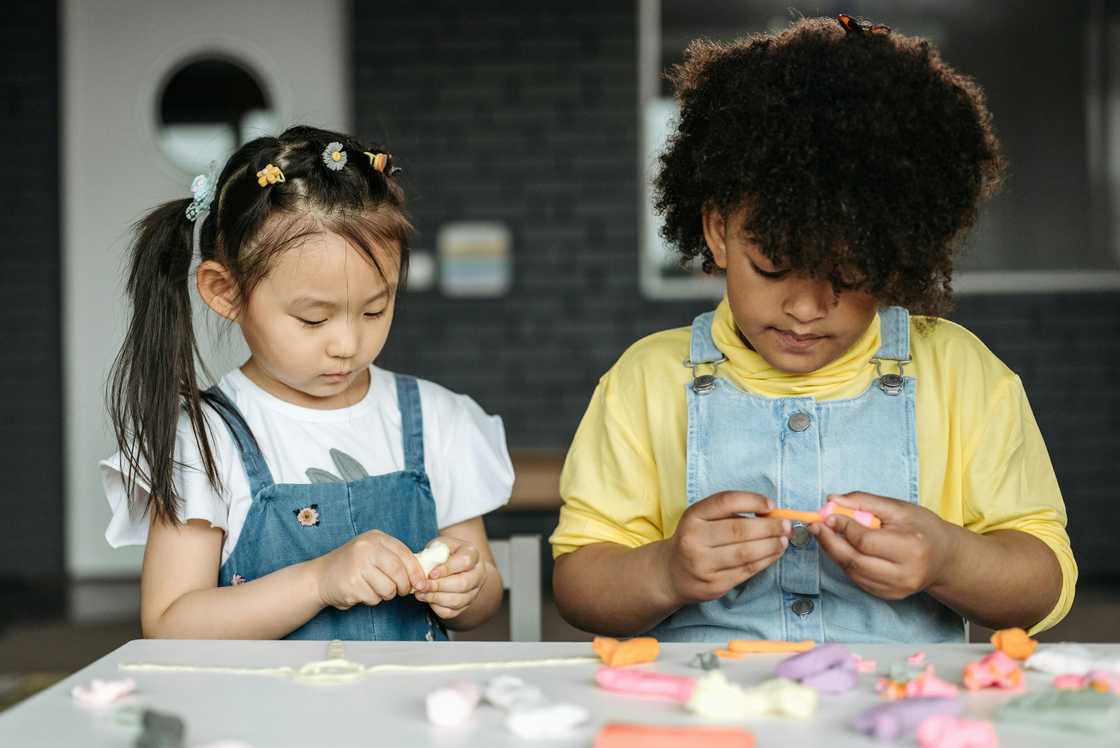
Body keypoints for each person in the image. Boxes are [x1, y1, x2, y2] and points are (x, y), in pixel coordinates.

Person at [551, 16, 1075, 642]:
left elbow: (1043, 584)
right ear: (717, 232)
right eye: (772, 268)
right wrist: (666, 571)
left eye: (847, 278)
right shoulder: (647, 380)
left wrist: (951, 559)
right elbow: (580, 586)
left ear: (898, 258)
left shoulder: (961, 375)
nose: (803, 308)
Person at [102, 126, 512, 640]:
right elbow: (170, 624)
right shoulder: (205, 440)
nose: (346, 343)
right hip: (264, 719)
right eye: (313, 320)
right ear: (225, 292)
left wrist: (467, 587)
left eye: (374, 309)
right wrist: (318, 581)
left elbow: (484, 597)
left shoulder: (435, 418)